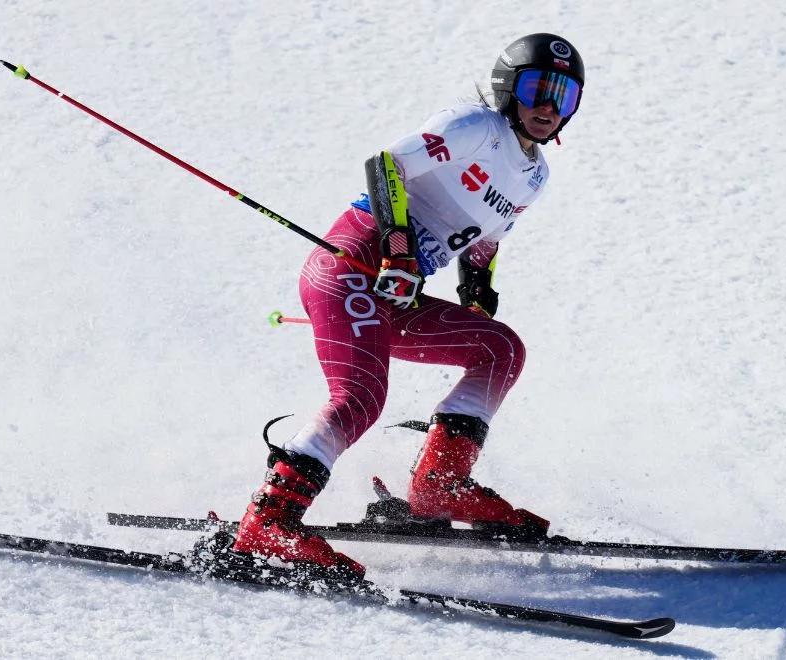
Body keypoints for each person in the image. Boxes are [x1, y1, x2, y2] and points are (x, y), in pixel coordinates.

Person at [224, 34, 585, 579]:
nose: (548, 107)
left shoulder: (535, 176)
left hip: (396, 290)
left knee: (499, 349)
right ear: (509, 88)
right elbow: (387, 164)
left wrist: (477, 293)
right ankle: (268, 522)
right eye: (537, 88)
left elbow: (485, 240)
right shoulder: (476, 127)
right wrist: (396, 249)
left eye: (564, 96)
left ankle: (440, 487)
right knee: (361, 398)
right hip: (353, 268)